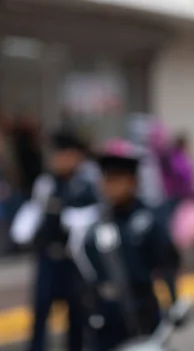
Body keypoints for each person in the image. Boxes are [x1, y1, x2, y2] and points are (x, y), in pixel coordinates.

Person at [65, 139, 181, 351]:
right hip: (106, 319)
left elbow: (166, 265)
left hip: (142, 312)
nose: (110, 186)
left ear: (133, 181)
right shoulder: (95, 224)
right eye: (106, 179)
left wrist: (174, 302)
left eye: (117, 179)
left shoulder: (148, 221)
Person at [10, 131, 98, 351]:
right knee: (41, 309)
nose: (57, 160)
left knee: (77, 313)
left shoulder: (85, 184)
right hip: (48, 257)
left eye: (62, 154)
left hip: (74, 260)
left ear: (75, 156)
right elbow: (35, 209)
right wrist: (23, 229)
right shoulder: (46, 183)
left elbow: (95, 214)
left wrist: (76, 219)